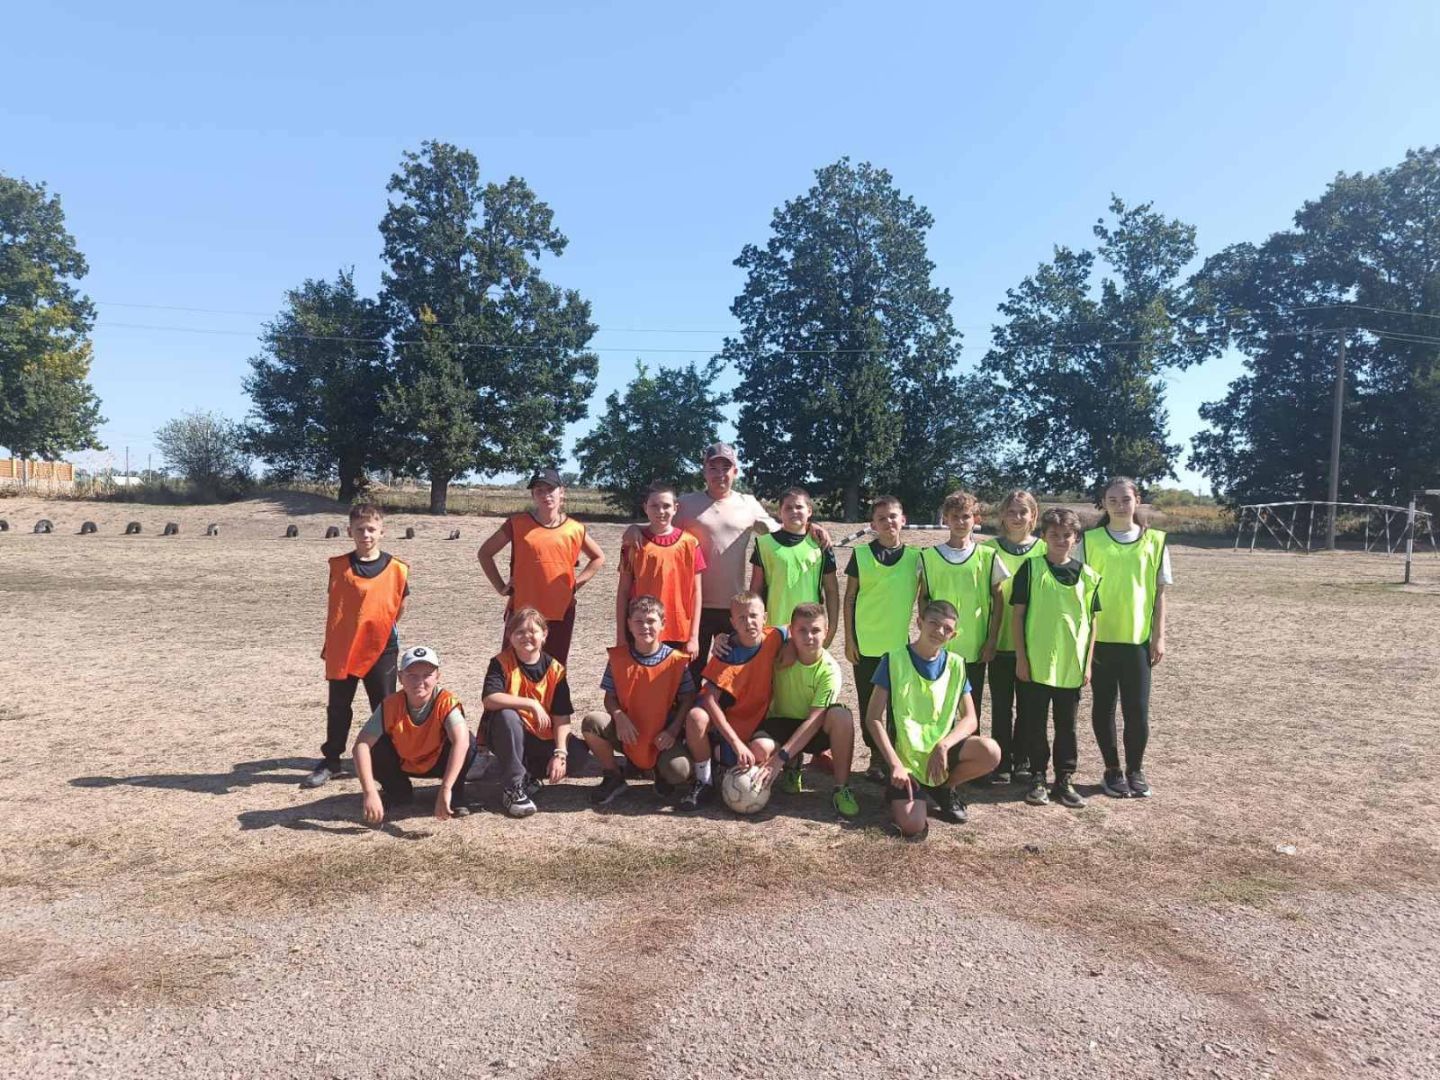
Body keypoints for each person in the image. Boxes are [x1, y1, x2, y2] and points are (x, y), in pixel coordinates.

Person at [624, 443, 830, 679]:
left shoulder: (748, 504)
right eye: (713, 468)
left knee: (732, 675)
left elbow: (783, 529)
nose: (719, 474)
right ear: (704, 471)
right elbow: (660, 522)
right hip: (694, 607)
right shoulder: (687, 504)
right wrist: (635, 527)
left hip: (733, 606)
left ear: (735, 472)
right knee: (690, 673)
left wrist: (811, 526)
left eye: (726, 468)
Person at [863, 601, 1002, 839]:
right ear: (919, 623)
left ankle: (943, 788)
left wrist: (944, 745)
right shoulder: (894, 660)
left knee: (990, 751)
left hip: (940, 754)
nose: (939, 631)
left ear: (953, 635)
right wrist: (895, 764)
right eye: (933, 623)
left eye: (947, 629)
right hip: (905, 759)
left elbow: (970, 719)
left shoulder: (956, 664)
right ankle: (900, 787)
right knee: (912, 826)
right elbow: (873, 718)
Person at [304, 502, 410, 790]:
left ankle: (387, 759)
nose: (366, 535)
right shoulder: (339, 566)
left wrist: (378, 629)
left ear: (382, 532)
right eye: (360, 529)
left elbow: (399, 606)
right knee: (339, 706)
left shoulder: (397, 568)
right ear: (350, 531)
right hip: (344, 648)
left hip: (381, 647)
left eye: (372, 529)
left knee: (384, 706)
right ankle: (332, 760)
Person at [1078, 477, 1171, 799]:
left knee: (1137, 710)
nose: (1119, 505)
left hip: (1137, 640)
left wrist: (1159, 636)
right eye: (1112, 500)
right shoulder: (1089, 540)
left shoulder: (1156, 541)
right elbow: (1079, 591)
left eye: (1125, 499)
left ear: (1137, 501)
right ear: (1104, 503)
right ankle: (1112, 769)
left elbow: (1160, 594)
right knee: (1104, 707)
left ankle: (1135, 770)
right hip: (1100, 640)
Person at [1012, 507, 1102, 810]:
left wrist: (1087, 663)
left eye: (1067, 535)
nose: (1061, 540)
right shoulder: (1030, 569)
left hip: (1071, 665)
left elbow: (1092, 623)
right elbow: (1017, 617)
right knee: (1035, 723)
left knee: (1067, 726)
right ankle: (1038, 777)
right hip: (1037, 663)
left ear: (1076, 538)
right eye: (1054, 535)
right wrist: (1021, 658)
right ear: (1044, 537)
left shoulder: (1088, 576)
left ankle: (1064, 779)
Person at [666, 592, 785, 812]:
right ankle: (704, 780)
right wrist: (735, 742)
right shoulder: (727, 650)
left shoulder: (776, 637)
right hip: (727, 726)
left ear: (765, 617)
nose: (749, 622)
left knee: (759, 750)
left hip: (758, 723)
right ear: (732, 623)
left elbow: (801, 627)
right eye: (741, 618)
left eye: (753, 616)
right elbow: (709, 699)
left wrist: (796, 651)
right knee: (696, 717)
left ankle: (761, 773)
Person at [477, 467, 605, 665]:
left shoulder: (574, 529)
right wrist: (501, 587)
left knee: (553, 669)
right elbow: (485, 553)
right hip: (522, 611)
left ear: (562, 492)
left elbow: (598, 557)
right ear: (533, 495)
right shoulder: (517, 524)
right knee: (513, 667)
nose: (546, 495)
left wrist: (574, 585)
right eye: (539, 491)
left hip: (560, 612)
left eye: (550, 489)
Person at [580, 595, 697, 807]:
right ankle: (613, 775)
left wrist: (672, 730)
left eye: (651, 621)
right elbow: (610, 698)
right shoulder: (618, 658)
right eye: (638, 621)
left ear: (663, 624)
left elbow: (688, 698)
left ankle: (659, 772)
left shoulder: (676, 661)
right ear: (629, 625)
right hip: (628, 733)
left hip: (660, 738)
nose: (645, 626)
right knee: (591, 722)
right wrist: (619, 717)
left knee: (680, 770)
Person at [753, 603, 860, 820]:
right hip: (780, 723)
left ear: (826, 631)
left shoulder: (830, 670)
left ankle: (841, 788)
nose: (809, 636)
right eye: (802, 630)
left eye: (815, 630)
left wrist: (780, 758)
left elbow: (814, 721)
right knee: (758, 749)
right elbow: (750, 636)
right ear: (791, 631)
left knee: (842, 716)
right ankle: (792, 766)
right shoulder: (779, 651)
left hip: (812, 729)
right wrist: (723, 640)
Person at [844, 495, 922, 783]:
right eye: (881, 518)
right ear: (873, 525)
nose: (888, 522)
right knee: (869, 703)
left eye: (893, 516)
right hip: (866, 644)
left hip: (898, 646)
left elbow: (924, 599)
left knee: (897, 706)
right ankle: (876, 757)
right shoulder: (861, 555)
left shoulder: (917, 558)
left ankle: (895, 756)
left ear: (903, 519)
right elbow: (849, 598)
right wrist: (849, 640)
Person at [480, 607, 586, 818]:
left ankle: (528, 775)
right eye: (519, 632)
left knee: (578, 754)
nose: (526, 636)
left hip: (541, 736)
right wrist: (531, 704)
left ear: (544, 634)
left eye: (533, 631)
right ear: (510, 636)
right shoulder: (500, 662)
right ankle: (513, 787)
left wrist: (560, 753)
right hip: (510, 732)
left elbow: (561, 716)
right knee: (506, 715)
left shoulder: (555, 669)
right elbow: (490, 699)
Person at [353, 645, 477, 825]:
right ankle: (398, 792)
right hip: (403, 762)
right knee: (374, 745)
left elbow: (461, 742)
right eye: (412, 675)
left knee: (467, 740)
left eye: (427, 675)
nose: (420, 681)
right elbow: (361, 745)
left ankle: (454, 793)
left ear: (438, 677)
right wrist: (369, 792)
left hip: (439, 763)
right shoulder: (390, 705)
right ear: (400, 677)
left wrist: (446, 787)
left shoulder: (446, 702)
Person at [919, 490, 1009, 723]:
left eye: (966, 516)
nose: (960, 522)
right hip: (939, 645)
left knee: (970, 710)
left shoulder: (988, 556)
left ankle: (969, 747)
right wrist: (926, 635)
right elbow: (924, 597)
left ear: (975, 519)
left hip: (974, 645)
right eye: (955, 516)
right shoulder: (929, 557)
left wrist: (992, 640)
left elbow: (998, 600)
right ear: (945, 519)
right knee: (938, 708)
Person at [983, 490, 1047, 785]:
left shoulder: (1044, 549)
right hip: (999, 640)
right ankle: (1001, 762)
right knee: (1001, 706)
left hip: (1031, 643)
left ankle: (1023, 759)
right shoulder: (989, 550)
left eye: (1023, 512)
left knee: (1028, 706)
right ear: (1002, 516)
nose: (1017, 517)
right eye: (1011, 511)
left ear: (1033, 515)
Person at [616, 481, 706, 656]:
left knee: (675, 674)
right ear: (645, 508)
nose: (660, 511)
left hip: (678, 628)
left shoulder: (690, 543)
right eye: (654, 506)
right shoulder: (632, 544)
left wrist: (694, 637)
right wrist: (621, 635)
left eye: (666, 506)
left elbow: (696, 593)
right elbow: (623, 591)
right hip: (642, 627)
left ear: (675, 508)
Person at [749, 487, 840, 641]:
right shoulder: (764, 544)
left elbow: (831, 590)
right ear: (780, 512)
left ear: (809, 511)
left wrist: (832, 626)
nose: (794, 511)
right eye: (788, 508)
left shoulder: (821, 545)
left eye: (799, 507)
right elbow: (755, 589)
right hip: (773, 627)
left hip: (810, 628)